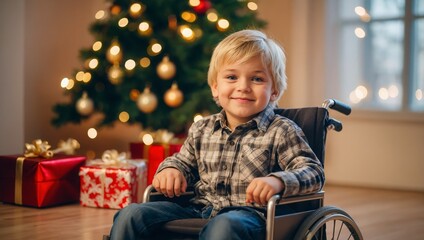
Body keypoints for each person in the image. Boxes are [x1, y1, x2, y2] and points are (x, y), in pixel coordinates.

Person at [109, 29, 325, 240]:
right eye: (231, 77)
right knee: (132, 214)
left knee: (224, 225)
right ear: (215, 88)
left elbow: (313, 172)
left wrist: (278, 181)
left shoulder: (281, 130)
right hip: (199, 210)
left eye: (257, 79)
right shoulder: (202, 129)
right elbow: (183, 162)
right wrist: (172, 169)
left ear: (274, 91)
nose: (243, 87)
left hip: (252, 216)